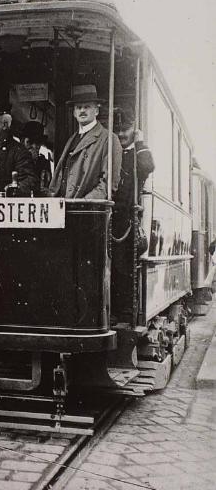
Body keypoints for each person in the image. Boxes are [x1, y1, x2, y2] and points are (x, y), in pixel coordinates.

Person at [111, 107, 154, 321]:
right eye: (117, 129)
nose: (121, 134)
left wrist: (139, 143)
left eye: (125, 129)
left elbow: (148, 165)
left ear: (133, 130)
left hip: (125, 219)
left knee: (123, 268)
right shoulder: (112, 152)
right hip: (110, 215)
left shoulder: (137, 154)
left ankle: (125, 312)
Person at [47, 85, 122, 199]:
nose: (82, 110)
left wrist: (85, 202)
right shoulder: (72, 139)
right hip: (63, 208)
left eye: (87, 106)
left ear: (96, 111)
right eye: (78, 107)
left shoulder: (109, 139)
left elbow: (108, 184)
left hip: (87, 210)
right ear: (74, 113)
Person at [20, 121, 53, 193]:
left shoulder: (44, 162)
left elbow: (47, 185)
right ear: (22, 142)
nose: (34, 146)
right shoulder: (14, 160)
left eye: (38, 142)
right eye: (30, 142)